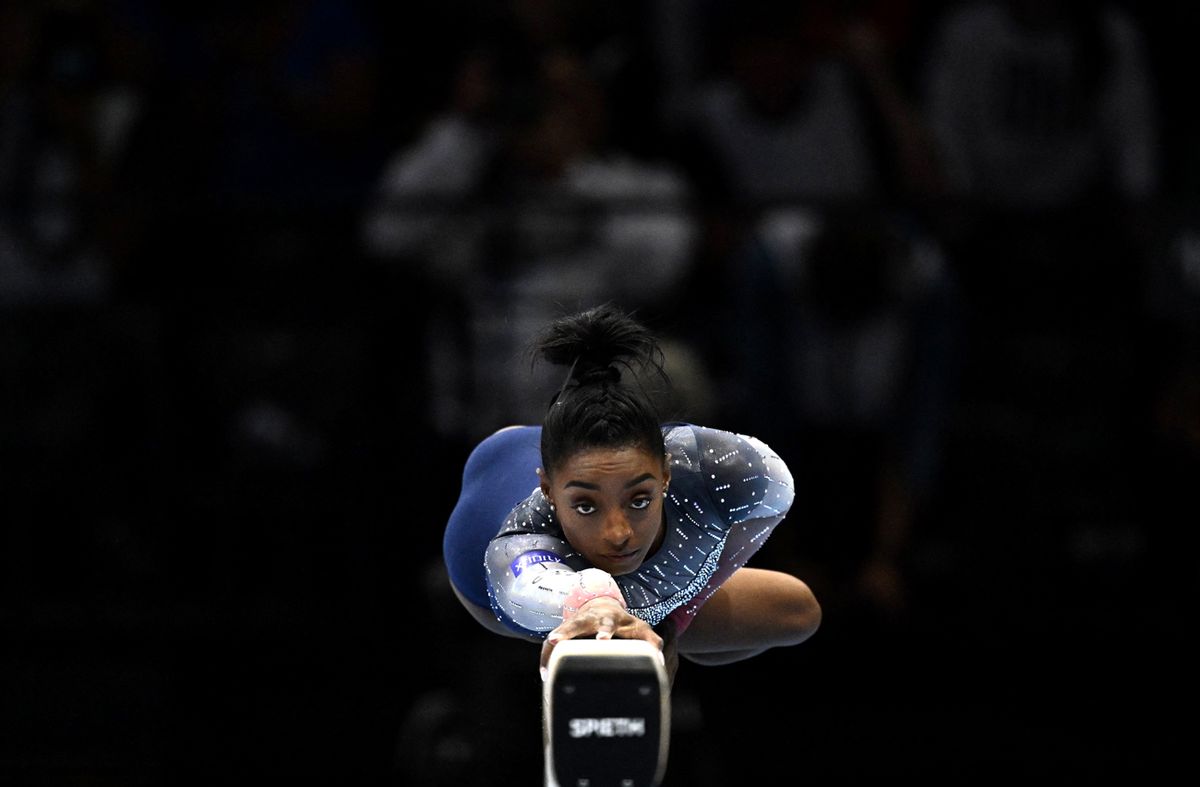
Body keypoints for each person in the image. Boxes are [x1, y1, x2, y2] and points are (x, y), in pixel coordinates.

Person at [442, 303, 821, 680]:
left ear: (667, 474)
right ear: (549, 492)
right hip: (494, 514)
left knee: (800, 612)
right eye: (587, 507)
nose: (619, 532)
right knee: (602, 645)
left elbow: (773, 499)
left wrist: (677, 619)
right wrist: (598, 605)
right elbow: (533, 586)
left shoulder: (736, 471)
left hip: (579, 457)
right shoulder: (521, 544)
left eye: (639, 500)